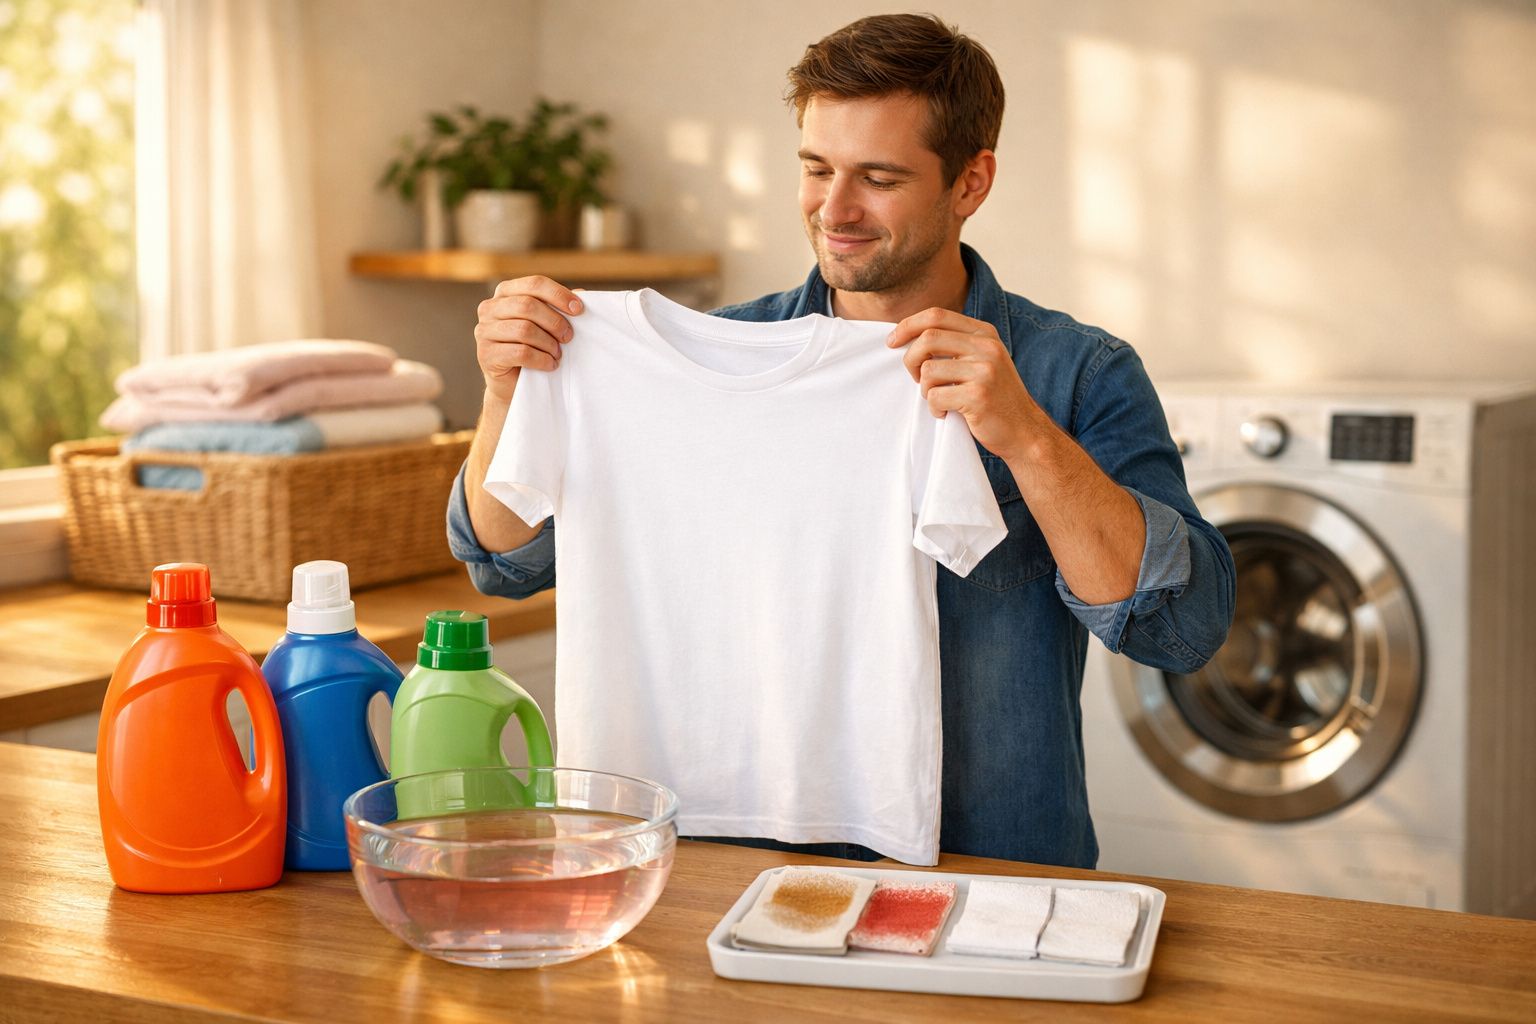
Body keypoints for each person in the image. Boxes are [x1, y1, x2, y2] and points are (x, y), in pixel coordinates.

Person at [446, 13, 1235, 869]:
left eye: (879, 177)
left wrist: (1029, 441)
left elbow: (1180, 631)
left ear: (971, 183)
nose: (836, 208)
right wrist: (505, 394)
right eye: (816, 168)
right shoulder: (719, 360)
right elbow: (503, 561)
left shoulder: (1077, 373)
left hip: (991, 869)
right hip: (733, 868)